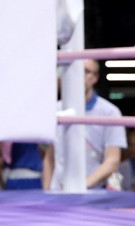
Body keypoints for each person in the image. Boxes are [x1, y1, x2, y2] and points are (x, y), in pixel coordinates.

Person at [43, 60, 128, 191]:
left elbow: (112, 160)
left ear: (95, 78)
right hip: (57, 191)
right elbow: (50, 156)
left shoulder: (109, 112)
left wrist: (82, 186)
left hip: (93, 192)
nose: (79, 75)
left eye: (86, 71)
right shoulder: (56, 109)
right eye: (76, 70)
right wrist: (46, 191)